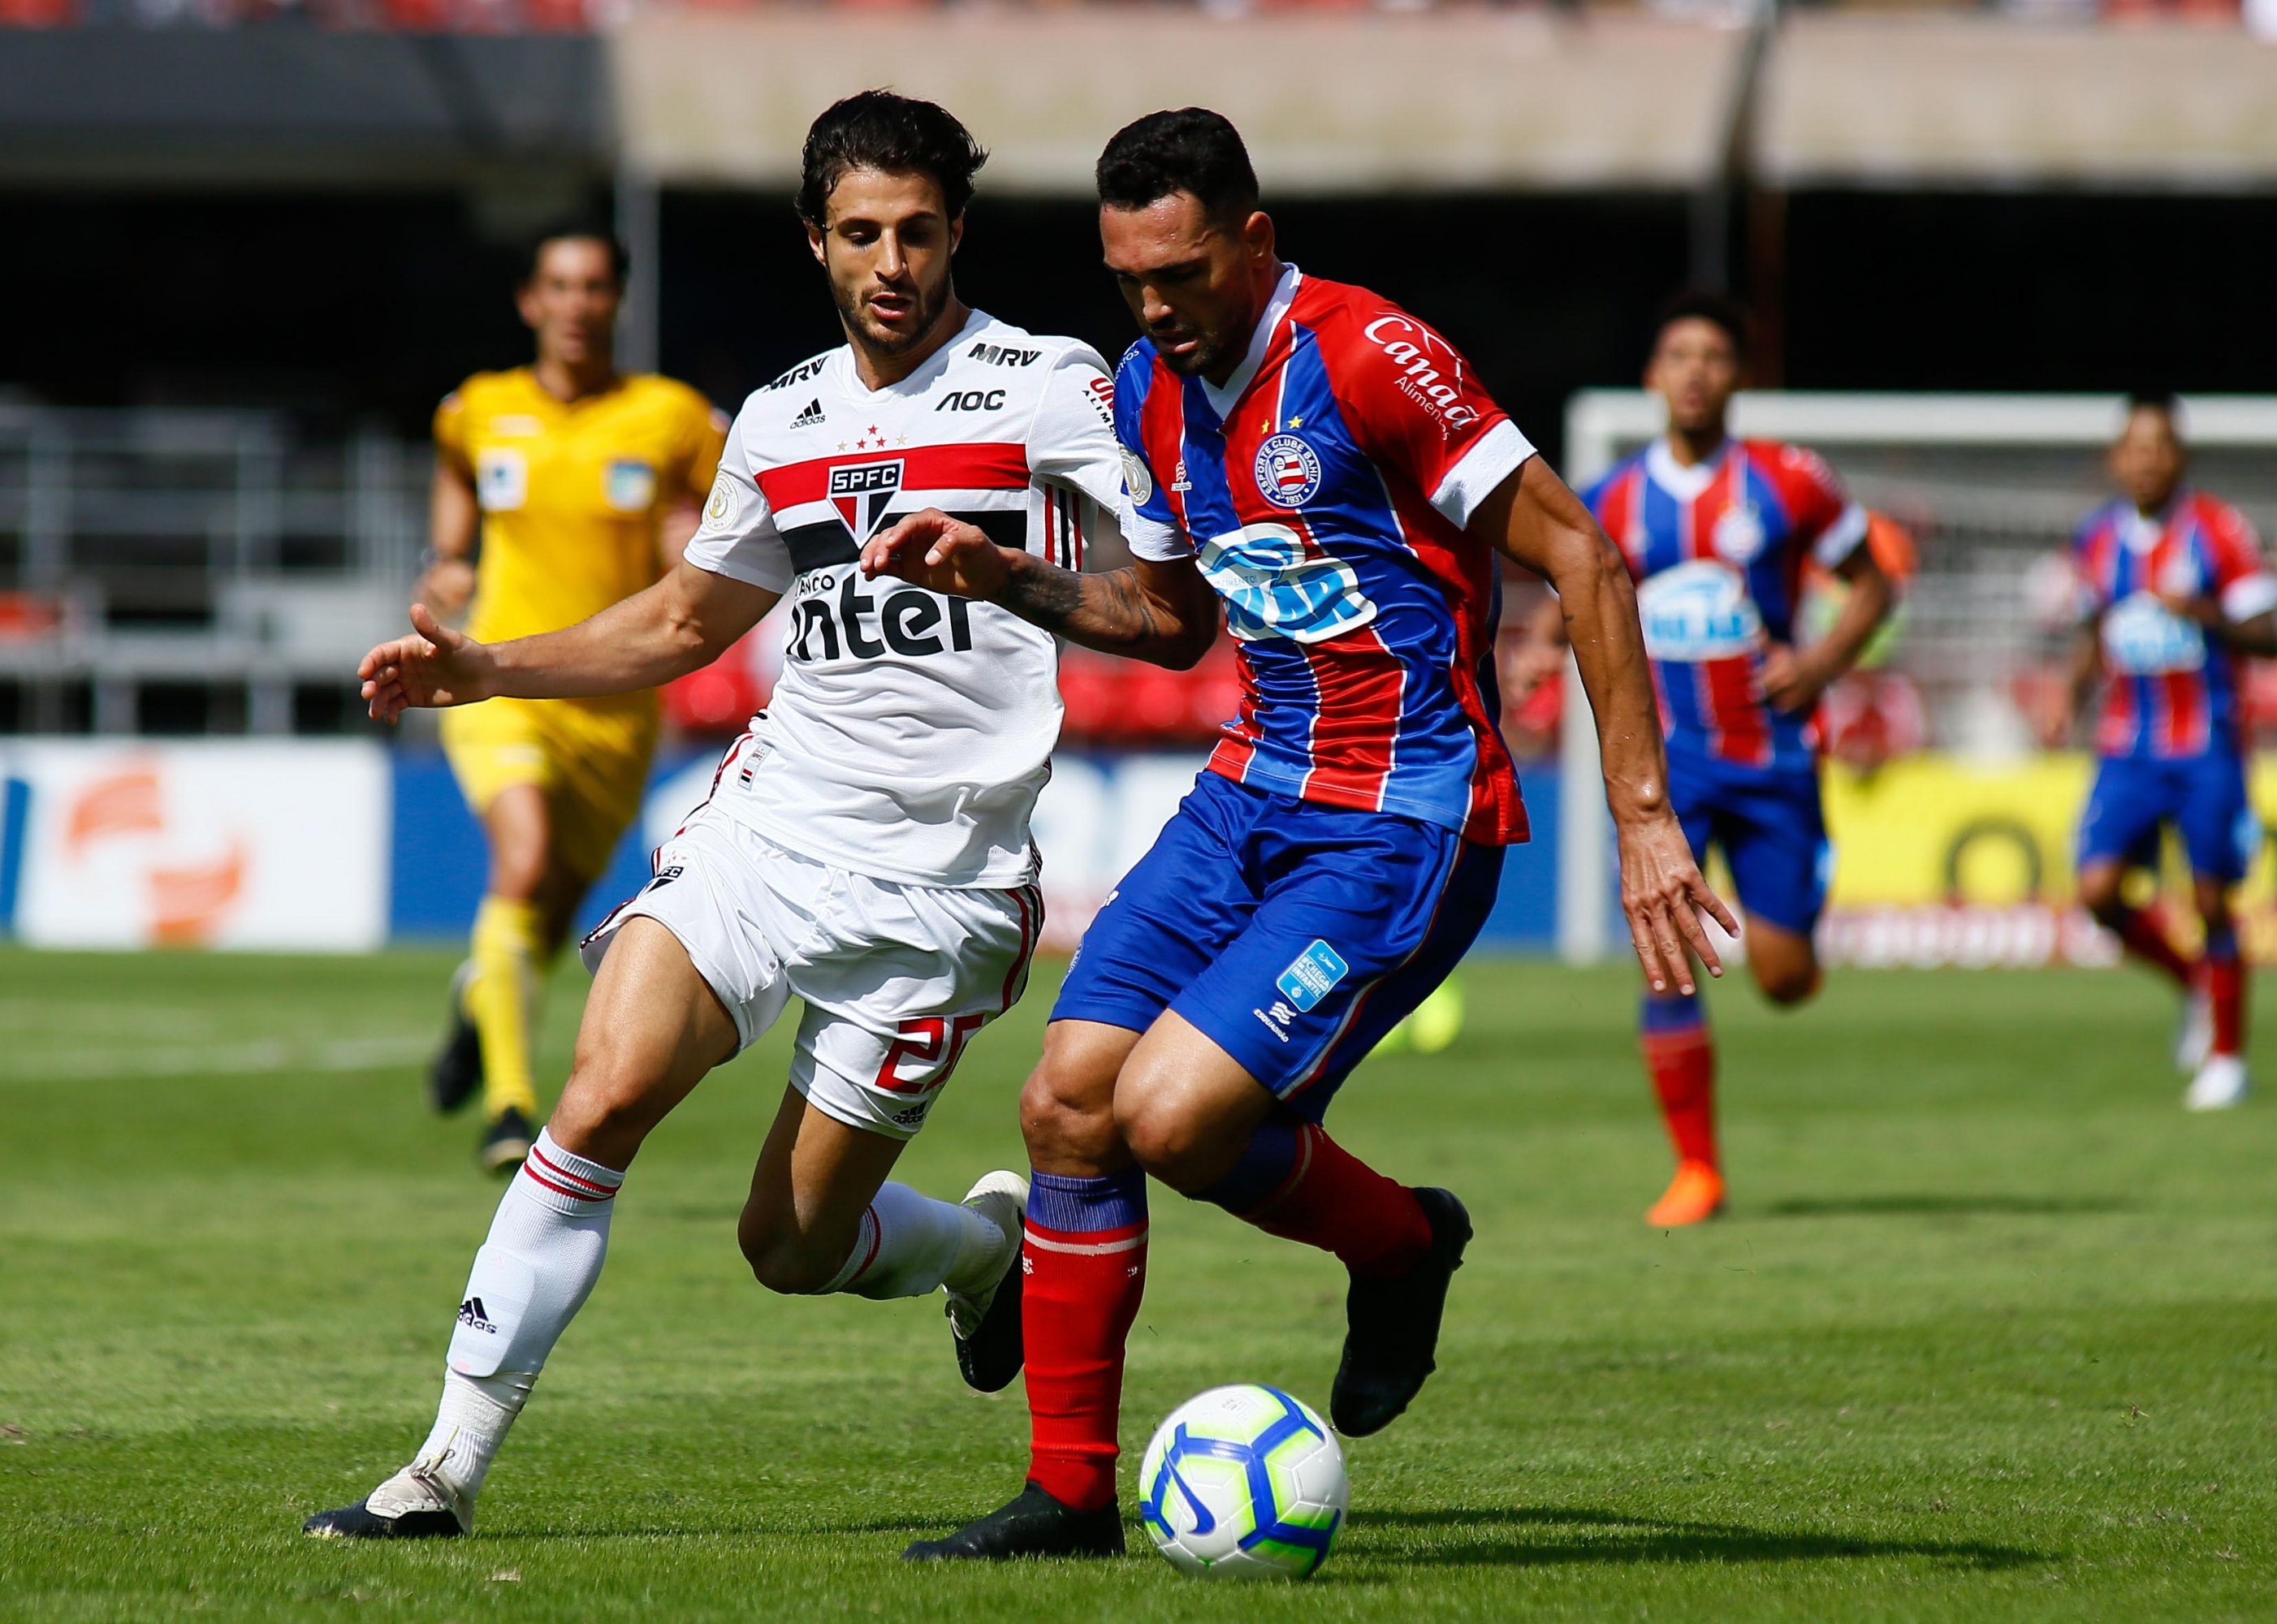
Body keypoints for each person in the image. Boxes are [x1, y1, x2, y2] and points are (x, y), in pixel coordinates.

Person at [864, 107, 1730, 1562]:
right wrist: (1008, 572)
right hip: (1247, 792)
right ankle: (1071, 1498)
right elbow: (1172, 620)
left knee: (1174, 1118)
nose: (1155, 310)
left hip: (1402, 817)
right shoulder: (1147, 385)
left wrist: (1643, 817)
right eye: (1129, 279)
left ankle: (1402, 1246)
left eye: (1183, 276)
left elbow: (1581, 554)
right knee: (1066, 1103)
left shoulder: (1371, 358)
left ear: (1253, 243)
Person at [304, 91, 1134, 1540]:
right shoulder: (780, 415)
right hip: (767, 827)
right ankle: (439, 1470)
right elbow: (690, 615)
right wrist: (487, 667)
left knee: (791, 1246)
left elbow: (1155, 606)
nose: (892, 262)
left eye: (920, 232)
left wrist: (1010, 576)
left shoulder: (1050, 386)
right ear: (816, 241)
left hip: (938, 880)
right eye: (862, 233)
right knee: (600, 1096)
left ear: (959, 235)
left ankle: (983, 1254)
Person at [1553, 291, 1896, 1229]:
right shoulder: (1612, 497)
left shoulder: (1789, 481)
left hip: (1776, 757)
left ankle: (1794, 959)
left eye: (1714, 356)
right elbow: (1568, 603)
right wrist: (1543, 652)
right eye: (1679, 355)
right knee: (1664, 959)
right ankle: (1696, 1169)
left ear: (1738, 376)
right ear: (1653, 377)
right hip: (1667, 769)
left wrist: (1821, 661)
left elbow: (1874, 581)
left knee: (1782, 977)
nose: (1695, 371)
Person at [420, 226, 727, 1172]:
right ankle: (510, 1106)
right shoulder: (478, 410)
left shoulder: (673, 419)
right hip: (502, 679)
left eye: (595, 286)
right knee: (524, 858)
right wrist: (447, 574)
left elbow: (735, 536)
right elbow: (454, 519)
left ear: (617, 300)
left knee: (550, 908)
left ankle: (483, 1000)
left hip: (616, 700)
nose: (577, 304)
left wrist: (692, 552)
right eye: (559, 285)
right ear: (530, 301)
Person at [2043, 394, 2277, 1111]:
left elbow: (2271, 637)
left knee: (2212, 899)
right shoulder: (2097, 539)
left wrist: (2203, 612)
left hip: (2207, 746)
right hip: (2128, 749)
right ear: (2118, 457)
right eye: (2135, 446)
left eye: (2159, 446)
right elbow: (2095, 630)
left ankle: (2229, 1061)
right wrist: (2071, 693)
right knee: (2096, 892)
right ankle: (2190, 984)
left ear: (2179, 456)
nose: (2146, 459)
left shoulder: (2217, 531)